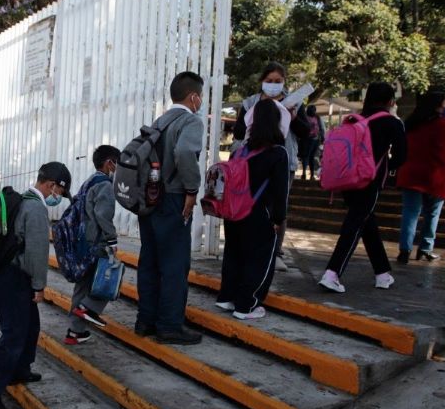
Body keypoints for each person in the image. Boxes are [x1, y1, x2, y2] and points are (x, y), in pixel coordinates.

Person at [135, 71, 205, 345]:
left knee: (150, 261)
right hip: (174, 198)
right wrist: (191, 189)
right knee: (175, 263)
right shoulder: (191, 121)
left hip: (149, 199)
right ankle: (170, 326)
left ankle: (145, 320)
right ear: (194, 97)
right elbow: (185, 153)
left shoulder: (159, 121)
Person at [0, 162, 72, 409]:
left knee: (30, 326)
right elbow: (37, 254)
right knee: (14, 335)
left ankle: (20, 370)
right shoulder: (35, 209)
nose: (58, 198)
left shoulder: (21, 201)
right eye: (59, 193)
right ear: (51, 185)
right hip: (16, 278)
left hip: (7, 275)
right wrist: (39, 286)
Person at [320, 82, 407, 293]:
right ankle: (332, 273)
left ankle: (383, 274)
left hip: (347, 180)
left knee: (367, 224)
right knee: (355, 225)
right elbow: (402, 155)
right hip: (370, 180)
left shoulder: (355, 119)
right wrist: (387, 166)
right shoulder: (392, 123)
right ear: (390, 101)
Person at [216, 99, 289, 320]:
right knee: (258, 259)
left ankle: (227, 298)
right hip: (258, 214)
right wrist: (279, 219)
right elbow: (280, 192)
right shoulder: (278, 153)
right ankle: (247, 305)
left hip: (234, 212)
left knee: (234, 254)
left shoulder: (239, 150)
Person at [234, 62, 309, 272]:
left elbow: (305, 132)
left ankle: (275, 252)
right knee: (250, 204)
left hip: (283, 161)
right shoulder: (250, 103)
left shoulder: (295, 103)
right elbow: (239, 131)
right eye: (269, 81)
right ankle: (249, 247)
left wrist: (292, 118)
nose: (274, 85)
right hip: (252, 162)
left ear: (284, 82)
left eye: (278, 81)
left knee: (278, 207)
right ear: (262, 81)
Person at [395, 92, 445, 263]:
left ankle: (404, 251)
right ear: (437, 106)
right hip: (436, 176)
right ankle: (426, 249)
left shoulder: (410, 124)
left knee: (410, 214)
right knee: (432, 215)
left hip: (411, 174)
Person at [66, 145, 121, 344]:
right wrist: (112, 239)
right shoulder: (105, 185)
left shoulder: (89, 181)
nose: (118, 169)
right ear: (109, 163)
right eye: (118, 164)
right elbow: (102, 215)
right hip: (97, 242)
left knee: (82, 286)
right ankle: (89, 308)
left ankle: (75, 332)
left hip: (82, 242)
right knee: (111, 278)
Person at [301, 105, 324, 180]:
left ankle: (312, 175)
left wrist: (321, 137)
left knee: (312, 157)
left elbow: (320, 127)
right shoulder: (305, 117)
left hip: (315, 140)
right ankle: (304, 173)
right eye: (312, 110)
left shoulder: (317, 117)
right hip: (306, 140)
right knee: (306, 156)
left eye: (314, 110)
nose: (313, 111)